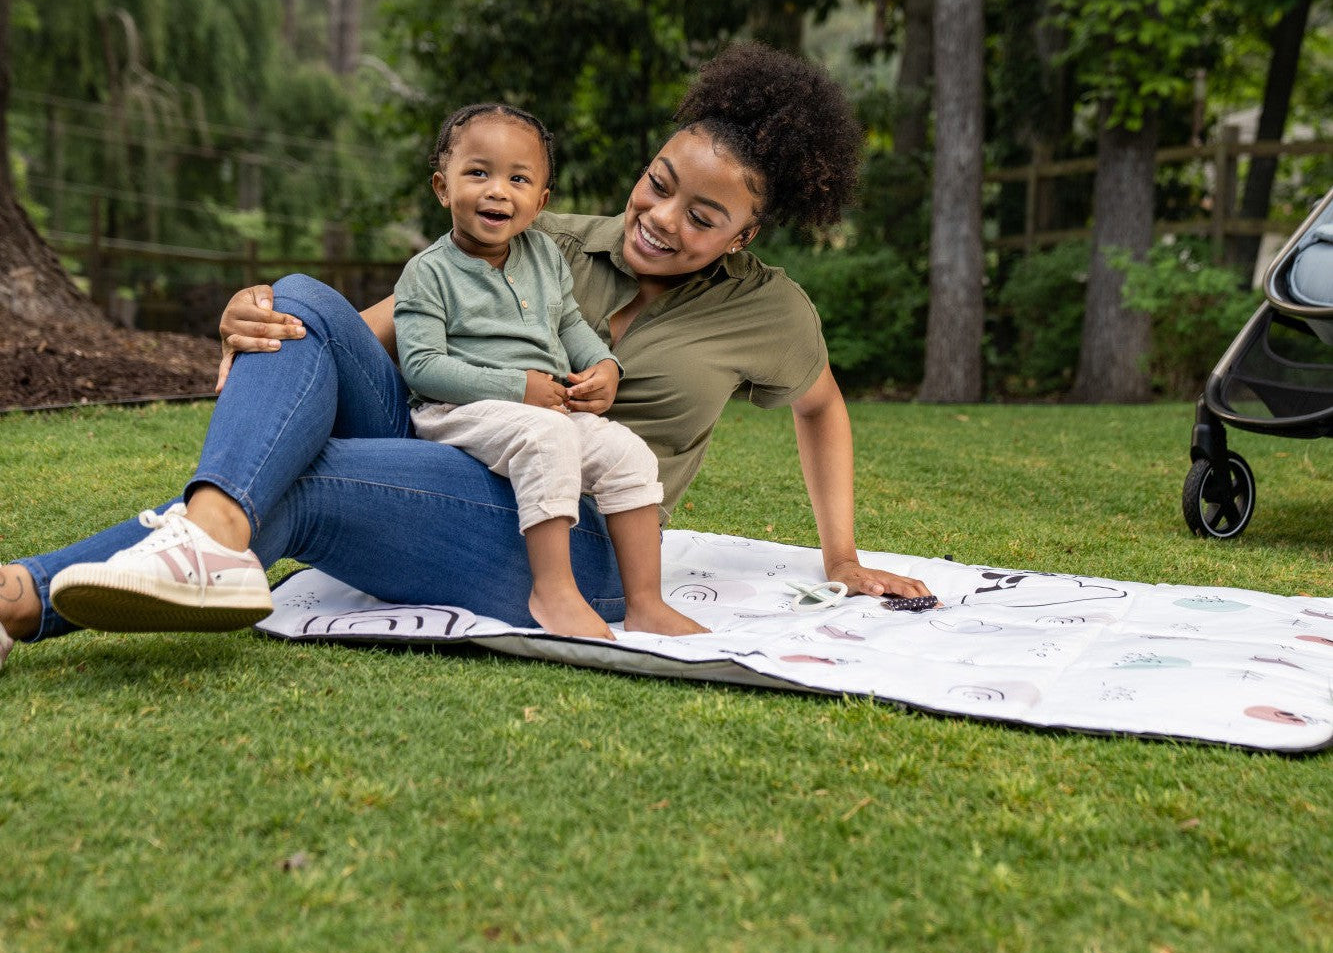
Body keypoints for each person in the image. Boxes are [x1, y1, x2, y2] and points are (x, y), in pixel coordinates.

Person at [0, 41, 931, 668]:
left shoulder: (770, 311)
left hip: (578, 540)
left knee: (310, 480)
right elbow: (380, 325)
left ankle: (19, 597)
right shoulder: (546, 237)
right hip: (445, 448)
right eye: (658, 183)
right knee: (303, 303)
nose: (660, 218)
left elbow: (821, 407)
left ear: (744, 233)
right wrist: (265, 320)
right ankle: (205, 540)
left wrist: (841, 554)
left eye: (703, 216)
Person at [394, 101, 702, 640]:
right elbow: (420, 367)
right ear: (443, 188)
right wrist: (517, 387)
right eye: (478, 173)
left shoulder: (545, 257)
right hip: (456, 411)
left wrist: (605, 365)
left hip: (544, 410)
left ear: (540, 202)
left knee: (627, 451)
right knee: (549, 436)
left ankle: (645, 602)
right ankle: (553, 591)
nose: (497, 190)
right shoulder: (428, 272)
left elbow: (571, 326)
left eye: (518, 179)